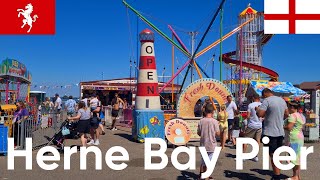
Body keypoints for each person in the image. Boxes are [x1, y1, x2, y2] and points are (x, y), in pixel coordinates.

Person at [256, 88, 289, 180]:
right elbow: (286, 114)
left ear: (265, 94)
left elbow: (260, 114)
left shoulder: (267, 101)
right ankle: (277, 172)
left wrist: (258, 110)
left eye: (263, 96)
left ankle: (276, 175)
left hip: (270, 131)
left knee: (272, 154)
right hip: (280, 131)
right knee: (276, 153)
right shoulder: (282, 100)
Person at [197, 103, 220, 180]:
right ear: (213, 112)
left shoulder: (201, 121)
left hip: (203, 143)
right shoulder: (214, 121)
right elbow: (218, 133)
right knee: (209, 163)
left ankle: (201, 176)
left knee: (203, 162)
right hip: (212, 144)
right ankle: (205, 177)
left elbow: (199, 133)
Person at [284, 102, 305, 180]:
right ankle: (297, 176)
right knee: (297, 157)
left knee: (294, 157)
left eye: (289, 107)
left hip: (293, 138)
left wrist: (283, 127)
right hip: (300, 137)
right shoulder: (300, 115)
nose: (288, 109)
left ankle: (295, 176)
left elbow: (289, 127)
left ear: (292, 108)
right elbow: (302, 127)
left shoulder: (292, 116)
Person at [243, 94, 262, 162]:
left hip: (251, 124)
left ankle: (244, 155)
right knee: (257, 140)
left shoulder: (251, 105)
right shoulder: (262, 104)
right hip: (259, 125)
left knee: (246, 140)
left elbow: (248, 116)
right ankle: (255, 156)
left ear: (253, 98)